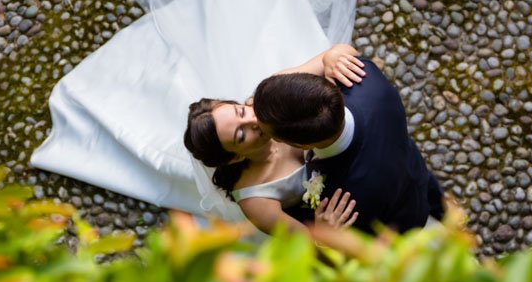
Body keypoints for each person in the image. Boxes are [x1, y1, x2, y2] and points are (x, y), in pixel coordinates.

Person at [252, 46, 445, 234]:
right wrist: (332, 55)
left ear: (303, 146)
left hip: (400, 222)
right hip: (410, 164)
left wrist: (326, 236)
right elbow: (349, 51)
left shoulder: (341, 199)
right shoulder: (365, 78)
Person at [183, 44, 367, 235]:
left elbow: (345, 52)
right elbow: (306, 247)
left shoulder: (273, 98)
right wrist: (323, 233)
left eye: (241, 111)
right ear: (234, 157)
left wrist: (333, 57)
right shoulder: (255, 200)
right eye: (241, 134)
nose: (254, 119)